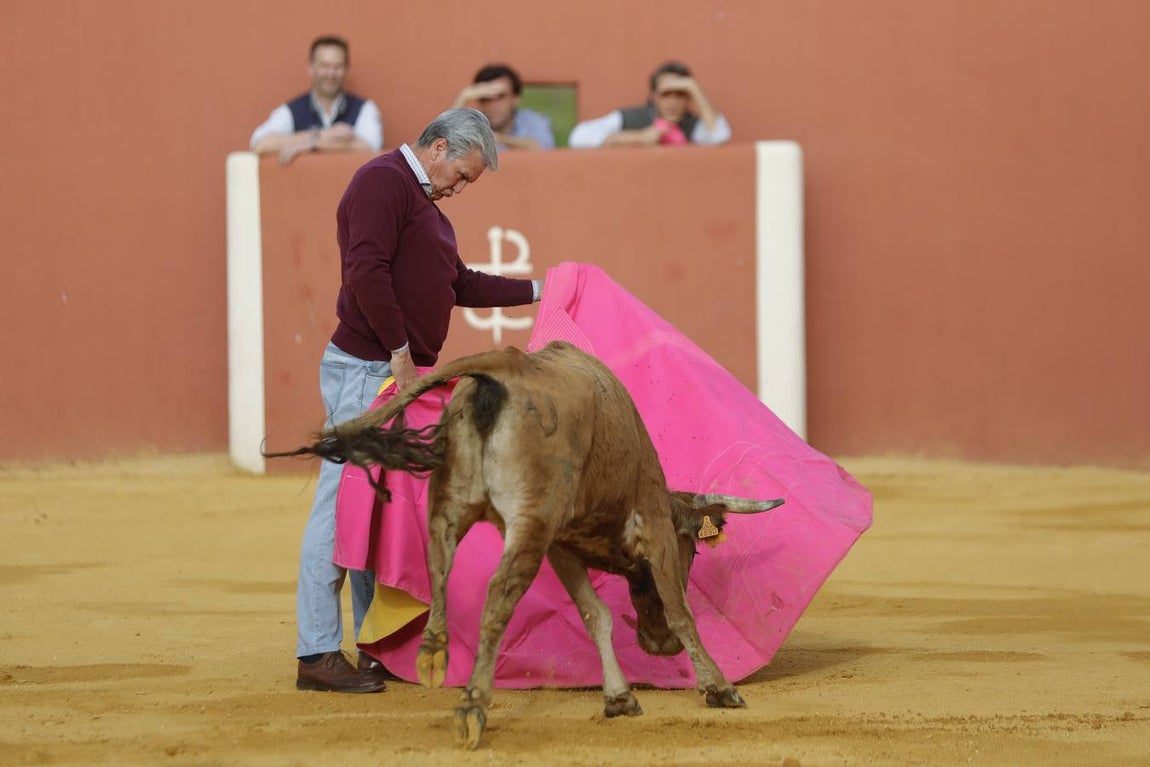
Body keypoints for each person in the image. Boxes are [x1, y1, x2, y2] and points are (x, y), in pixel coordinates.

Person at [294, 108, 543, 693]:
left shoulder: (424, 206)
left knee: (374, 510)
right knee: (341, 504)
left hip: (390, 372)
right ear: (437, 147)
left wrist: (542, 288)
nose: (460, 187)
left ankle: (372, 645)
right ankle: (316, 650)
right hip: (370, 372)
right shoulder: (383, 181)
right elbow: (365, 270)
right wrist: (400, 352)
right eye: (461, 174)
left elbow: (462, 284)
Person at [250, 36, 383, 166]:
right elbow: (260, 144)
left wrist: (312, 144)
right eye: (324, 66)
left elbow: (371, 146)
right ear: (311, 68)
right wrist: (320, 135)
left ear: (346, 70)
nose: (331, 74)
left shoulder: (365, 108)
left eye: (338, 66)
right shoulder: (292, 110)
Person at [568, 61, 731, 148]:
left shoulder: (691, 124)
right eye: (666, 94)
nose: (673, 101)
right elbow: (578, 137)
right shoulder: (631, 117)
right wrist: (637, 137)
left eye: (680, 94)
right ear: (654, 97)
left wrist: (694, 88)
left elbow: (720, 137)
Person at [451, 63, 554, 150]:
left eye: (501, 96)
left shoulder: (533, 121)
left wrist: (500, 139)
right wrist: (464, 97)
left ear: (515, 98)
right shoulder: (472, 125)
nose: (494, 105)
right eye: (486, 98)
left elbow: (545, 148)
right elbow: (446, 144)